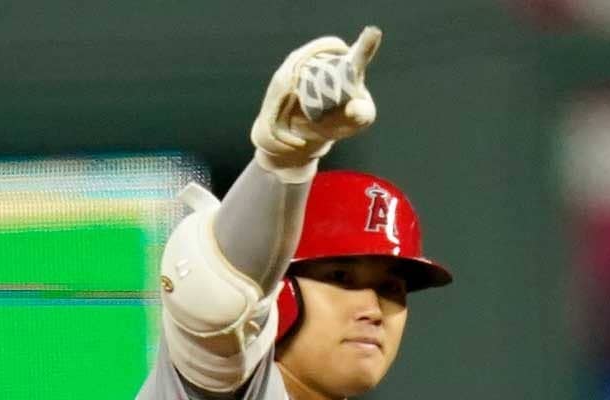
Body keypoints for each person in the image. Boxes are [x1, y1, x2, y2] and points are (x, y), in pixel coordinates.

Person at [137, 26, 452, 400]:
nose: (373, 309)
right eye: (341, 277)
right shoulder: (210, 385)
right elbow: (220, 292)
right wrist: (285, 160)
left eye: (390, 288)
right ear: (280, 295)